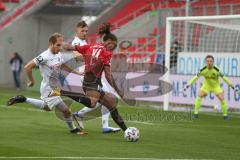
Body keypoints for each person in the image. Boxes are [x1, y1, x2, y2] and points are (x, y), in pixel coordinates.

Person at [51, 23, 128, 132]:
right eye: (113, 45)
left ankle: (126, 130)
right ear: (109, 41)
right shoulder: (106, 53)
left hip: (92, 81)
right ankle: (62, 92)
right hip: (92, 82)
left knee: (111, 104)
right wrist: (118, 89)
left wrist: (58, 41)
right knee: (92, 104)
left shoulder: (90, 46)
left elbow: (68, 47)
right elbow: (108, 75)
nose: (114, 47)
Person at [7, 33, 86, 135]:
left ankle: (23, 99)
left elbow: (62, 65)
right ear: (51, 44)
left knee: (58, 109)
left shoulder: (58, 54)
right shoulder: (44, 56)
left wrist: (77, 73)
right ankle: (73, 129)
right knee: (59, 109)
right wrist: (32, 81)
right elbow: (27, 67)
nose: (60, 47)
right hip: (48, 88)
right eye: (58, 45)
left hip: (55, 87)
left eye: (61, 44)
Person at [184, 55, 236, 120]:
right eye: (208, 61)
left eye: (210, 61)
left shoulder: (217, 70)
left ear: (213, 62)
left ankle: (225, 116)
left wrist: (232, 86)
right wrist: (188, 84)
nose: (209, 62)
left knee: (221, 98)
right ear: (206, 62)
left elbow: (225, 78)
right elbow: (195, 77)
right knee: (200, 95)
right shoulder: (203, 70)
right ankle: (195, 114)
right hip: (206, 86)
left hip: (216, 86)